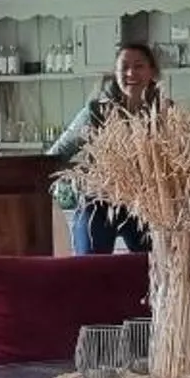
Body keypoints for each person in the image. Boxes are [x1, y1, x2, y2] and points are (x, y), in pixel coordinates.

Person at [48, 40, 163, 253]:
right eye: (124, 67)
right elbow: (57, 154)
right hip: (99, 204)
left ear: (152, 71)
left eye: (139, 66)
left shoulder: (166, 113)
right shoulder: (96, 112)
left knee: (155, 274)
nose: (131, 73)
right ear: (115, 73)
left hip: (148, 207)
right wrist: (77, 177)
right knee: (90, 273)